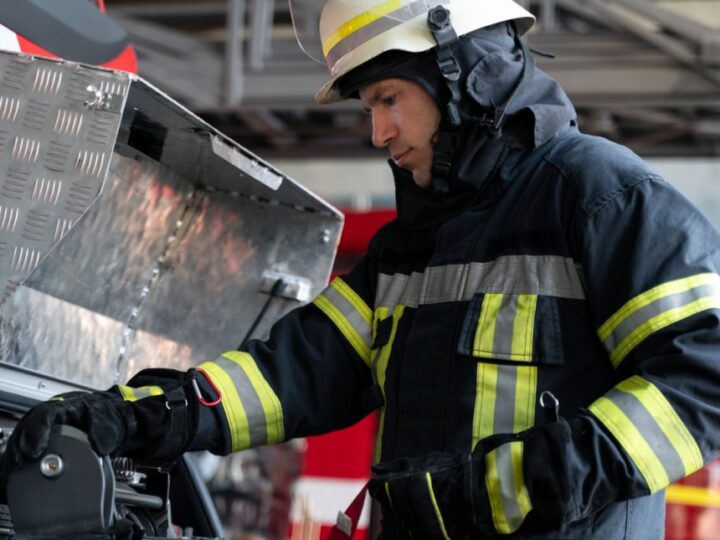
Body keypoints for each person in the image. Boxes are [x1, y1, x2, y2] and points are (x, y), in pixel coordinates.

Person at [3, 0, 720, 538]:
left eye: (387, 99)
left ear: (462, 76)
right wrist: (137, 417)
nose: (378, 133)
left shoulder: (602, 198)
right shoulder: (416, 245)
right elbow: (297, 370)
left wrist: (509, 485)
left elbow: (705, 377)